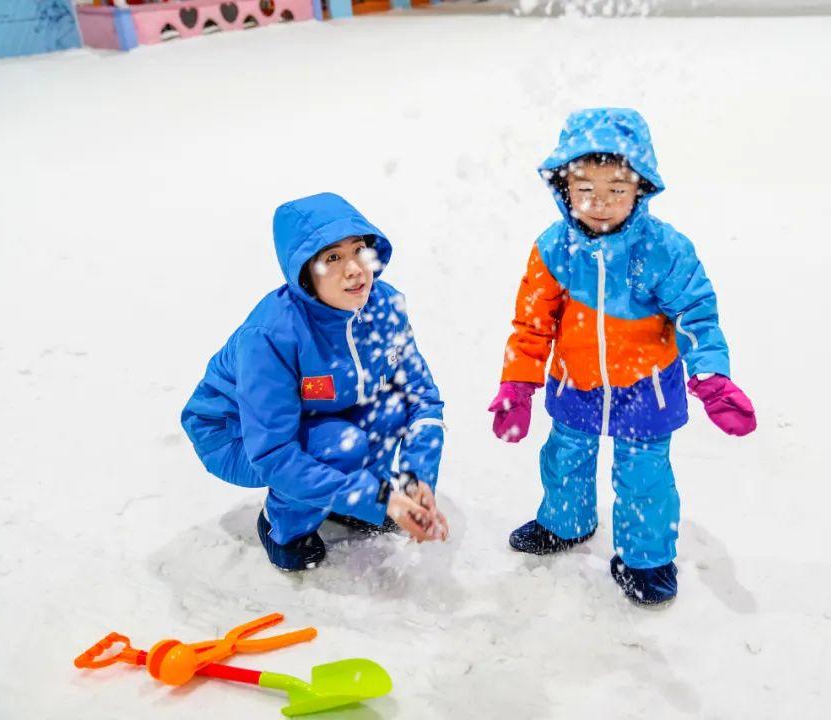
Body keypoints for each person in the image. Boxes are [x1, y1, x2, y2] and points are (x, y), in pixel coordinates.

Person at [489, 108, 756, 605]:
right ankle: (566, 523)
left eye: (617, 188)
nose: (600, 202)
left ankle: (646, 558)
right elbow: (532, 323)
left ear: (641, 188)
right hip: (577, 384)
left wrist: (712, 378)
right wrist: (517, 385)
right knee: (565, 458)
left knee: (644, 477)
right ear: (563, 187)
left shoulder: (665, 250)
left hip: (646, 387)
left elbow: (696, 315)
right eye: (585, 187)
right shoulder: (553, 250)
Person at [182, 192, 448, 571]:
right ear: (305, 273)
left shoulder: (385, 306)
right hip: (236, 431)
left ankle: (349, 501)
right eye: (333, 258)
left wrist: (413, 481)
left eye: (358, 250)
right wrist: (380, 499)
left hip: (323, 405)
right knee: (341, 443)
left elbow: (422, 400)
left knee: (389, 410)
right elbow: (275, 454)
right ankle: (284, 528)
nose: (354, 269)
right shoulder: (271, 335)